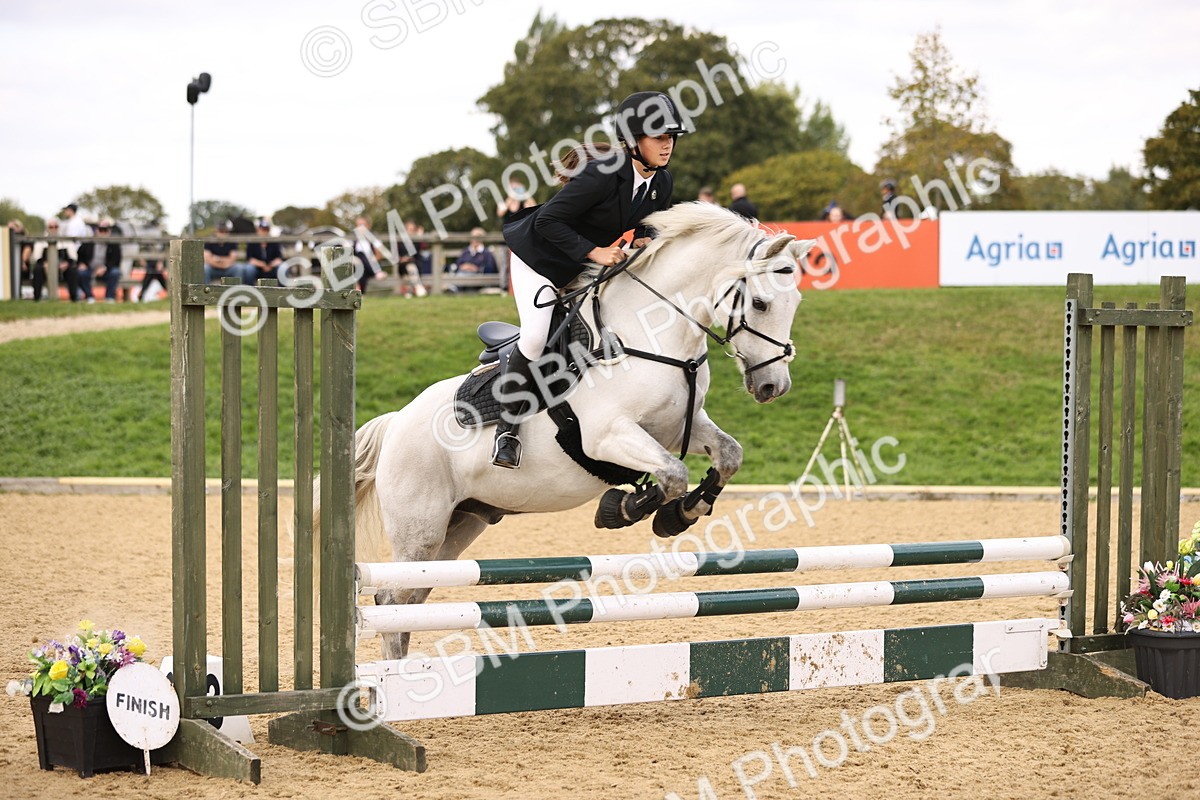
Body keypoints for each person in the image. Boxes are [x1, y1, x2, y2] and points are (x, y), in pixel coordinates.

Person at [492, 90, 685, 469]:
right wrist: (596, 252)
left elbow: (646, 224)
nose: (668, 145)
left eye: (672, 137)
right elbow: (548, 221)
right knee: (535, 336)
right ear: (633, 141)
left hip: (581, 264)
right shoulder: (602, 174)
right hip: (540, 259)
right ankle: (507, 430)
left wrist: (646, 237)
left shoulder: (661, 183)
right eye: (659, 137)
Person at [77, 218, 122, 302]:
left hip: (106, 271)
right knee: (80, 273)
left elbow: (116, 261)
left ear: (109, 231)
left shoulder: (114, 244)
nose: (103, 232)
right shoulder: (88, 243)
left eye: (105, 230)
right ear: (96, 230)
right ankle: (89, 297)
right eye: (101, 229)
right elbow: (80, 255)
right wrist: (82, 263)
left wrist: (105, 267)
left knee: (115, 272)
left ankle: (109, 297)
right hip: (90, 269)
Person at [352, 215, 386, 292]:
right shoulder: (353, 240)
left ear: (369, 226)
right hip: (357, 267)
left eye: (363, 225)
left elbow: (379, 256)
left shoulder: (374, 239)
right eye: (358, 225)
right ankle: (377, 272)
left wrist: (370, 260)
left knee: (362, 262)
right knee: (360, 258)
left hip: (371, 265)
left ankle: (360, 292)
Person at [244, 218, 284, 284]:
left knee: (282, 267)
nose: (264, 232)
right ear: (258, 230)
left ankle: (282, 292)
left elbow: (279, 258)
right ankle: (249, 290)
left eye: (266, 230)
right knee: (249, 269)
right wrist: (263, 265)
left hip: (272, 268)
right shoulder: (252, 242)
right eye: (262, 229)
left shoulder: (274, 242)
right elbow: (250, 259)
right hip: (257, 268)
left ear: (269, 231)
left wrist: (270, 265)